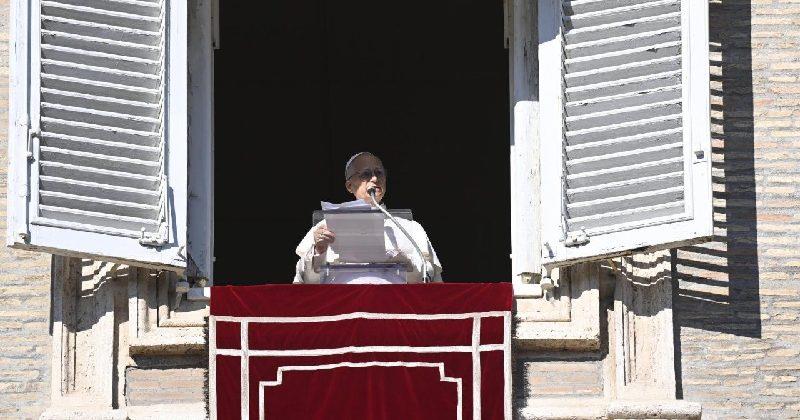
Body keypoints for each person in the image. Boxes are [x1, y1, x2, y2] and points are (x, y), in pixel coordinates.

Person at [293, 152, 442, 284]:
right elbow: (307, 282)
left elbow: (428, 278)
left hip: (393, 301)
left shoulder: (410, 228)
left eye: (379, 173)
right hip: (343, 302)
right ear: (349, 186)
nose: (375, 178)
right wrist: (319, 251)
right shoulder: (325, 227)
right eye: (366, 174)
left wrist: (405, 262)